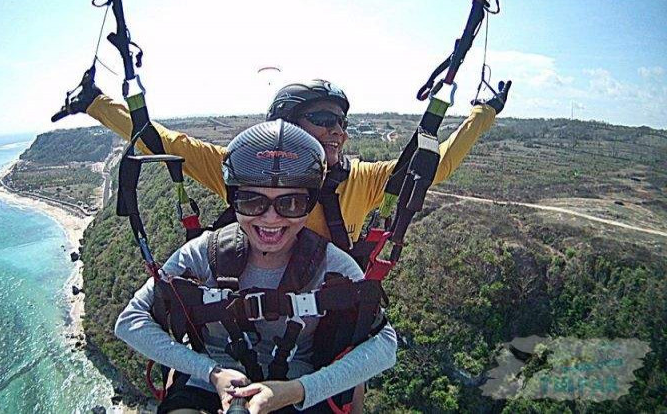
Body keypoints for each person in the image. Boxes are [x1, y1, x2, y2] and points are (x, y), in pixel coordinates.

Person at [115, 120, 397, 414]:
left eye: (290, 204)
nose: (271, 219)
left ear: (310, 203)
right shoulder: (204, 252)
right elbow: (130, 322)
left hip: (297, 393)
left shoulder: (332, 264)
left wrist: (297, 390)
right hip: (209, 385)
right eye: (252, 202)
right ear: (233, 199)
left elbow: (385, 346)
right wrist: (211, 372)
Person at [62, 76, 510, 254]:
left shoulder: (363, 181)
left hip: (326, 321)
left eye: (342, 123)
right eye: (323, 120)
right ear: (282, 126)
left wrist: (483, 114)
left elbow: (436, 164)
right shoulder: (244, 168)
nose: (339, 131)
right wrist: (96, 103)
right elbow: (164, 140)